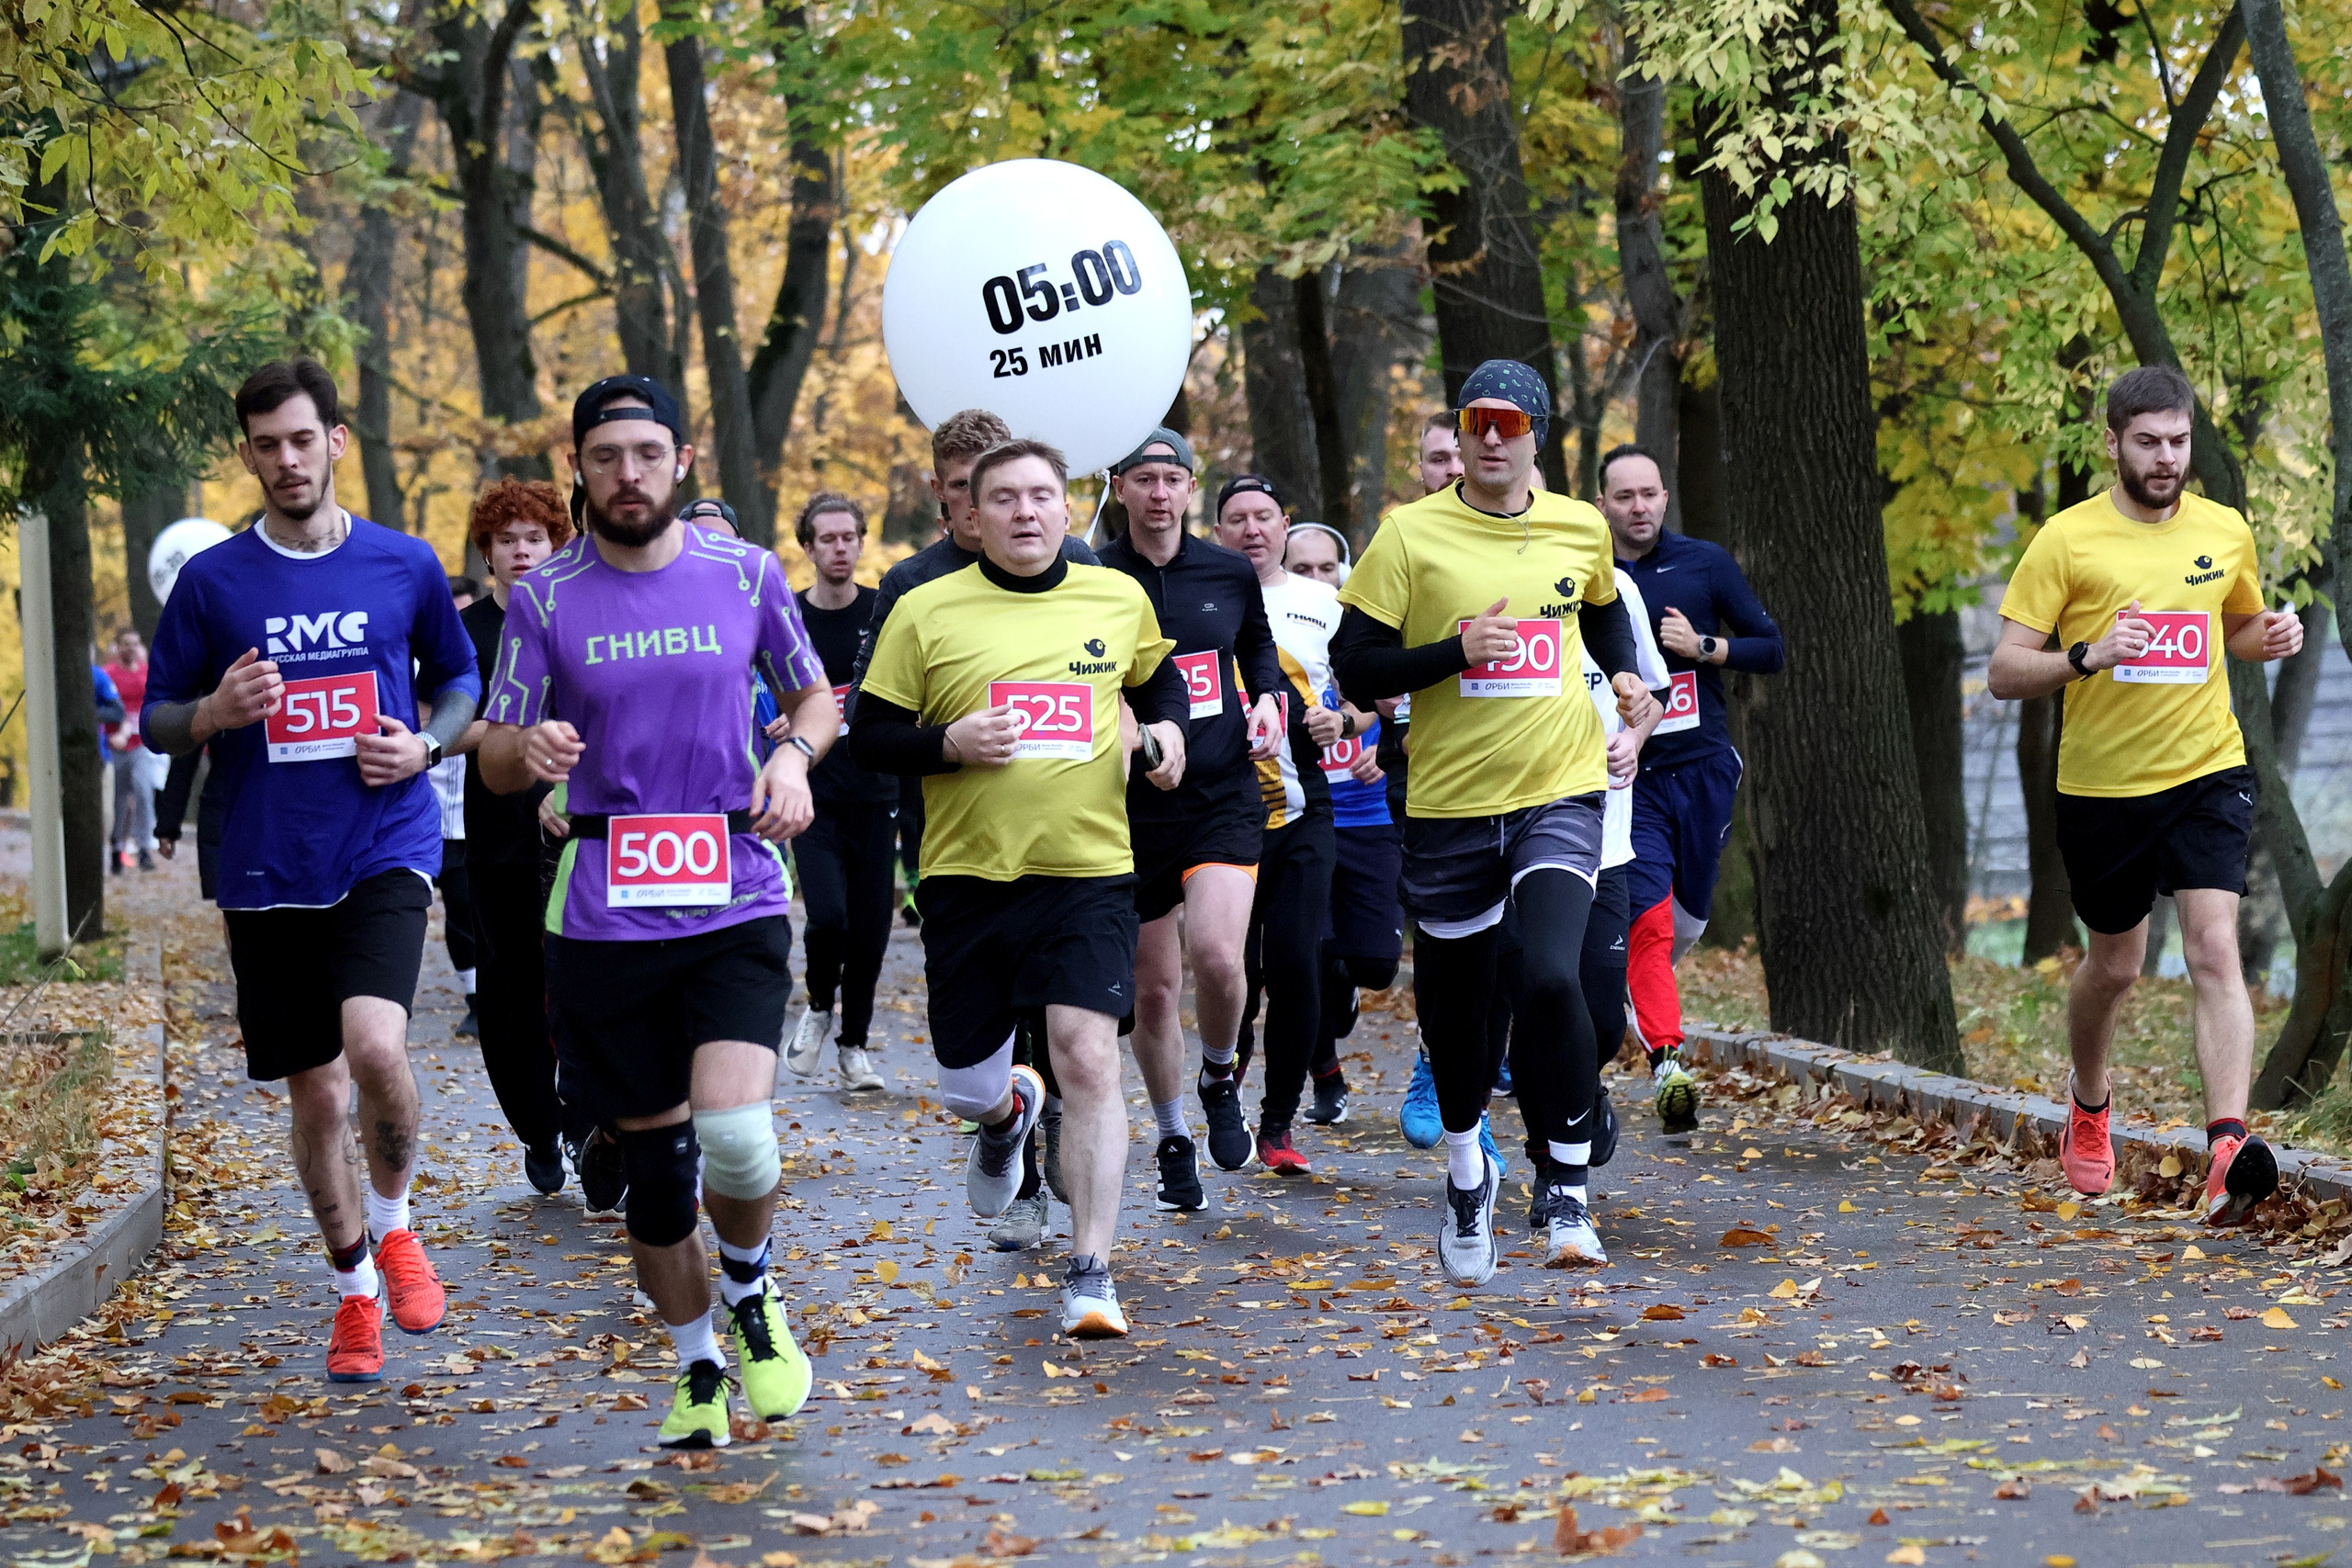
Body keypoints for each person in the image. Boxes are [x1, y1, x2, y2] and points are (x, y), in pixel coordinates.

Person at [478, 373, 834, 1447]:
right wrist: (529, 749)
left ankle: (752, 1287)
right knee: (658, 1183)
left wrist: (792, 757)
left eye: (646, 454)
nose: (627, 475)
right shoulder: (545, 598)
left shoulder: (746, 572)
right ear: (578, 471)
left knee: (738, 1138)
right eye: (605, 458)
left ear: (681, 461)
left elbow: (813, 696)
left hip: (733, 888)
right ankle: (696, 1367)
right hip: (602, 913)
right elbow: (494, 752)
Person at [142, 356, 480, 1382]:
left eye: (302, 439)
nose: (286, 460)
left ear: (335, 440)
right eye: (266, 446)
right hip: (265, 863)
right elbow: (157, 717)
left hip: (382, 840)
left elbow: (460, 676)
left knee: (375, 1045)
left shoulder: (402, 562)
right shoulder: (213, 582)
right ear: (247, 456)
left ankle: (397, 1226)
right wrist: (212, 713)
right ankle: (353, 1289)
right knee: (320, 1098)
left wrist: (426, 745)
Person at [852, 437, 1187, 1338]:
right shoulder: (924, 609)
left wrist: (1165, 739)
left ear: (1067, 508)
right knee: (969, 1085)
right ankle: (1003, 1117)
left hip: (1088, 871)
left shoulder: (1115, 596)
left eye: (1042, 495)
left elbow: (1162, 691)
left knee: (1087, 1054)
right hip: (967, 875)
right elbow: (868, 735)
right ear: (971, 513)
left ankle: (1091, 1271)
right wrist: (947, 744)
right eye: (1004, 498)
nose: (1026, 512)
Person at [1333, 359, 1659, 1280]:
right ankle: (1467, 1169)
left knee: (1553, 974)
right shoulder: (1409, 535)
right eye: (1475, 420)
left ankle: (1566, 1188)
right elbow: (1357, 665)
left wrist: (1624, 672)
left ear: (1536, 438)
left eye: (1508, 424)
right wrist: (1454, 651)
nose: (1488, 438)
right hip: (1451, 802)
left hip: (1560, 787)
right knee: (1458, 1012)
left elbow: (1600, 612)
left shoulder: (1579, 525)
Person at [1987, 364, 2302, 1225]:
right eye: (2149, 442)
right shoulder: (2067, 540)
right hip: (2104, 788)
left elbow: (2234, 628)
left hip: (2208, 770)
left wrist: (2270, 634)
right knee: (2117, 966)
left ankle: (2227, 1146)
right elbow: (2005, 670)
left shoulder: (2224, 530)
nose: (2167, 458)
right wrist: (2088, 654)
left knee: (2214, 948)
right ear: (2113, 443)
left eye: (2179, 440)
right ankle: (2089, 1102)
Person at [1096, 430, 1283, 1205]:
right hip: (1132, 806)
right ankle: (1173, 1133)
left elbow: (1258, 648)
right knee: (1153, 990)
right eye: (1144, 478)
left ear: (1190, 486)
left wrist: (1268, 698)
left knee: (1217, 954)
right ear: (1120, 488)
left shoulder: (1228, 570)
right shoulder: (1095, 575)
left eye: (1172, 478)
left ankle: (1219, 1075)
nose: (1159, 492)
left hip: (1221, 792)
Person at [854, 412, 1102, 929]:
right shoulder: (912, 583)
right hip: (963, 835)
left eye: (994, 485)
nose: (975, 501)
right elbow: (866, 710)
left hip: (1073, 840)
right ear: (938, 490)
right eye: (962, 485)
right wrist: (947, 738)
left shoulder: (1074, 557)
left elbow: (1124, 675)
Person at [1603, 443, 1784, 1134]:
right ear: (1602, 505)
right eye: (1625, 496)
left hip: (1704, 768)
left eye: (1649, 493)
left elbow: (1771, 647)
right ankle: (1668, 1062)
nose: (1639, 507)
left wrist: (1705, 647)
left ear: (1665, 496)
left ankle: (1638, 989)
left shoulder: (1704, 562)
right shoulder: (1589, 577)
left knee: (1685, 923)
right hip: (1634, 774)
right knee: (1649, 923)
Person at [446, 480, 595, 1199]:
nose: (521, 550)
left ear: (558, 543)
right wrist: (509, 737)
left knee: (584, 979)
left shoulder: (582, 619)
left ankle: (589, 1122)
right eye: (506, 539)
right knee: (510, 991)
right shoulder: (465, 632)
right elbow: (442, 728)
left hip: (581, 827)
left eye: (535, 537)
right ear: (487, 551)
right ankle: (538, 1126)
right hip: (498, 832)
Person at [1213, 477, 1353, 1174]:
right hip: (1221, 813)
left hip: (1303, 807)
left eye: (1264, 516)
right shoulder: (1199, 595)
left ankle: (1278, 1123)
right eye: (1236, 518)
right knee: (1234, 971)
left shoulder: (1323, 603)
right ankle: (1221, 1084)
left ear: (1284, 524)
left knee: (1297, 962)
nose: (1251, 529)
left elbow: (1369, 696)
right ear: (1217, 531)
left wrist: (1344, 720)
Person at [780, 493, 896, 1094]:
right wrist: (779, 718)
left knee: (871, 929)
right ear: (808, 547)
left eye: (849, 536)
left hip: (875, 790)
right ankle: (820, 1003)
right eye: (827, 538)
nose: (840, 548)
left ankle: (854, 1048)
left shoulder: (883, 611)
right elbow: (759, 687)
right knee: (827, 917)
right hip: (812, 791)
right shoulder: (789, 615)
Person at [1283, 524, 1392, 1127]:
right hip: (1305, 813)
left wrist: (1390, 749)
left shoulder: (1364, 625)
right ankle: (1325, 1072)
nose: (1316, 580)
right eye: (1302, 569)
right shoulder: (1270, 629)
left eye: (1327, 568)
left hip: (1371, 814)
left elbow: (1396, 701)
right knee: (1308, 953)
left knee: (1376, 962)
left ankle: (1351, 979)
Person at [1393, 415, 1468, 1147]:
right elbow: (1363, 664)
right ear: (1421, 468)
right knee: (1450, 941)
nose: (1451, 467)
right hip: (1429, 772)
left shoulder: (1544, 537)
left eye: (1459, 454)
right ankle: (1436, 1059)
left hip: (1536, 775)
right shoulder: (1404, 543)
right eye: (1437, 457)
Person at [431, 577, 481, 1041]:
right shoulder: (418, 662)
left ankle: (480, 999)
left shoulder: (493, 653)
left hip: (475, 809)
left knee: (467, 905)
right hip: (423, 810)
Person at [105, 629, 159, 873]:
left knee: (143, 790)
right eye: (126, 644)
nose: (131, 648)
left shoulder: (147, 673)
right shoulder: (109, 674)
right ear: (118, 647)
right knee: (119, 800)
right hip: (116, 745)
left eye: (135, 644)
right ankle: (117, 848)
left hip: (141, 744)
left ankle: (145, 848)